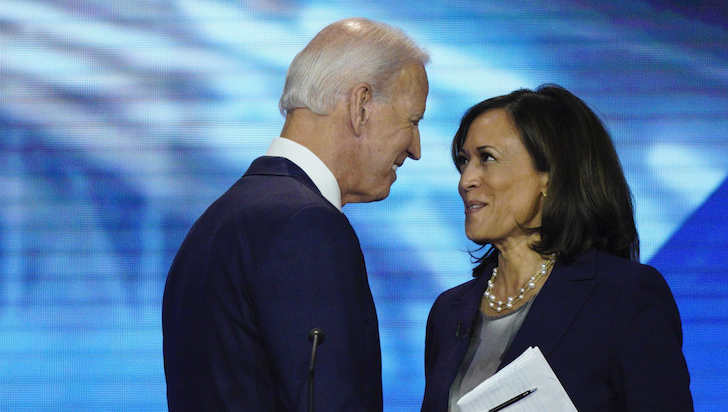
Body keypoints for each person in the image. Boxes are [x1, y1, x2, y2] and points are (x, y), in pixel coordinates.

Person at [162, 18, 429, 411]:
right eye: (413, 121)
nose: (416, 148)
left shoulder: (216, 222)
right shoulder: (305, 227)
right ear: (361, 106)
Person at [421, 86, 693, 411]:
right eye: (464, 161)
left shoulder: (623, 295)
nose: (465, 181)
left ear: (549, 176)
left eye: (487, 158)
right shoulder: (448, 311)